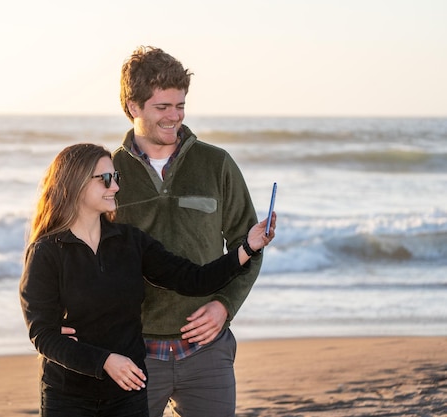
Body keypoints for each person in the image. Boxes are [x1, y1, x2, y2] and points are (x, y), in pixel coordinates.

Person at [19, 143, 275, 417]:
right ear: (76, 184)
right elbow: (42, 335)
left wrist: (247, 247)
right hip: (68, 396)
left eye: (116, 178)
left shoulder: (130, 242)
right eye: (105, 179)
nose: (115, 187)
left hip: (128, 394)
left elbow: (193, 280)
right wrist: (104, 361)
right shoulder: (47, 252)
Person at [112, 46, 265, 417]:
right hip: (134, 354)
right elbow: (84, 254)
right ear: (134, 107)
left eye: (180, 106)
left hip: (206, 351)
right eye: (162, 108)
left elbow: (249, 245)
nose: (174, 117)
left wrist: (224, 306)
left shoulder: (216, 164)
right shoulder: (109, 171)